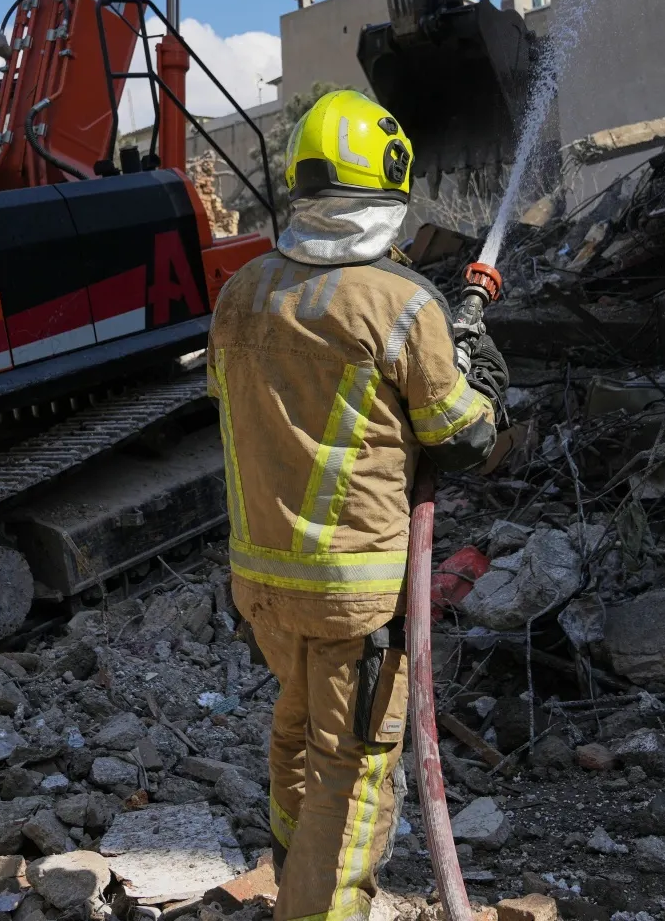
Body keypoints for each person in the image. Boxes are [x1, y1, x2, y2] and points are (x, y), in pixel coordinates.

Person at [207, 89, 505, 921]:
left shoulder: (239, 295)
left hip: (263, 589)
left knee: (296, 738)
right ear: (389, 191)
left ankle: (289, 883)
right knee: (354, 772)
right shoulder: (400, 301)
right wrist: (490, 390)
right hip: (356, 598)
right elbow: (463, 434)